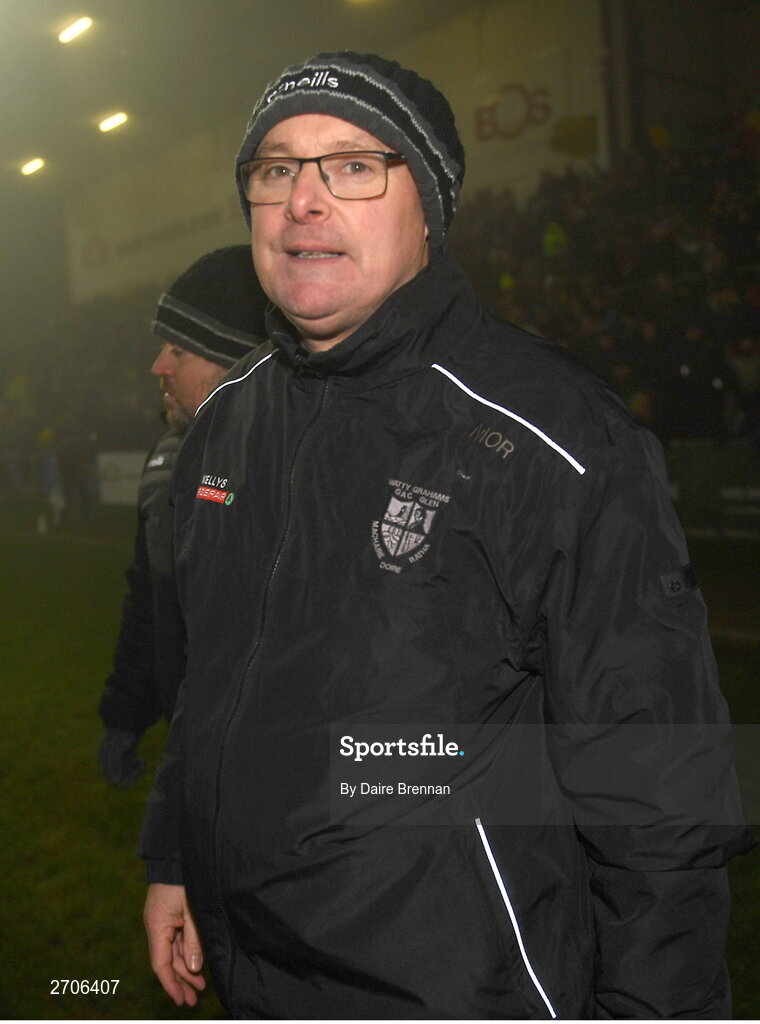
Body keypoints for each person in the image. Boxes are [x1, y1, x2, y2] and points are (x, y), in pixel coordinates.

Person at [141, 52, 755, 1018]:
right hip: (250, 970)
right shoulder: (229, 422)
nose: (303, 200)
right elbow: (214, 672)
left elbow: (659, 781)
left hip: (460, 989)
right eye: (275, 169)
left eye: (351, 165)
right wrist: (176, 855)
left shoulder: (554, 435)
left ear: (428, 203)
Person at [97, 246, 268, 788]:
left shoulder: (292, 471)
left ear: (236, 361)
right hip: (194, 752)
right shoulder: (164, 463)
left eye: (179, 351)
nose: (158, 367)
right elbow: (149, 600)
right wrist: (126, 716)